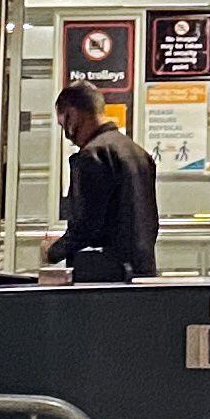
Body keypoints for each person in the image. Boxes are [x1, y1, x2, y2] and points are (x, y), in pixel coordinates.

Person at [43, 79, 163, 283]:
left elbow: (87, 226)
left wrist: (53, 251)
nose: (67, 136)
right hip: (142, 273)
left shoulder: (93, 156)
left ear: (72, 115)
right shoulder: (139, 154)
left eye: (63, 124)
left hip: (105, 277)